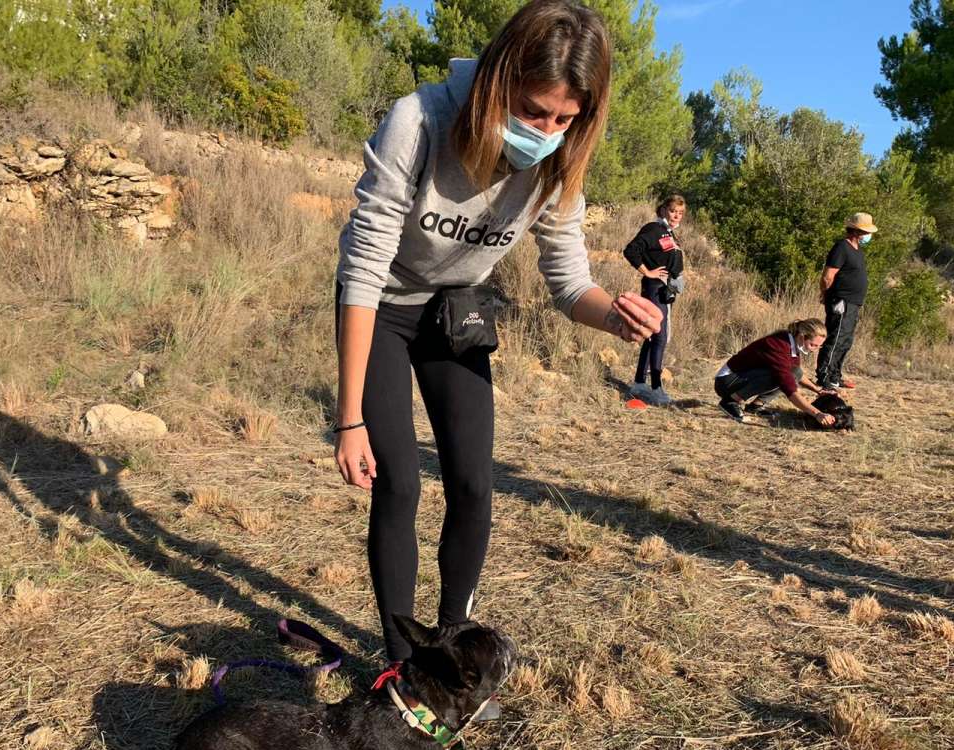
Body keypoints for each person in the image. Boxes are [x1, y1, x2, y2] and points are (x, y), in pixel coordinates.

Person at [332, 0, 663, 664]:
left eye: (565, 119)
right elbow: (363, 268)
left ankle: (452, 646)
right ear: (499, 80)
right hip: (384, 307)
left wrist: (616, 315)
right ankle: (400, 668)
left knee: (475, 484)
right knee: (399, 483)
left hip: (454, 310)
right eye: (535, 110)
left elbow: (569, 284)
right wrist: (348, 420)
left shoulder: (557, 160)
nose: (546, 129)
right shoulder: (419, 121)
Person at [622, 194, 686, 405]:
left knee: (654, 337)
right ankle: (656, 387)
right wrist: (647, 272)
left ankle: (640, 383)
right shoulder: (653, 229)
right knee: (659, 336)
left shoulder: (668, 233)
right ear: (663, 210)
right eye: (673, 211)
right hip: (654, 288)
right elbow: (631, 250)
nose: (676, 216)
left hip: (664, 290)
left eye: (680, 213)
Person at [714, 318, 837, 427]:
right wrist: (817, 414)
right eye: (813, 345)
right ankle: (730, 402)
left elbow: (796, 373)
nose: (814, 350)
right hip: (726, 382)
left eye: (818, 347)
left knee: (795, 372)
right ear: (802, 336)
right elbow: (789, 389)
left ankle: (756, 406)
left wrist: (818, 390)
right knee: (779, 376)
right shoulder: (778, 345)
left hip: (741, 377)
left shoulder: (791, 342)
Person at [816, 212, 878, 390]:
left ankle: (835, 375)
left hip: (853, 302)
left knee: (846, 340)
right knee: (836, 337)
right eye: (866, 232)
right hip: (841, 300)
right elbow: (828, 276)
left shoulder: (857, 251)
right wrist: (826, 294)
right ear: (857, 231)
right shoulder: (841, 247)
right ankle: (824, 376)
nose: (869, 236)